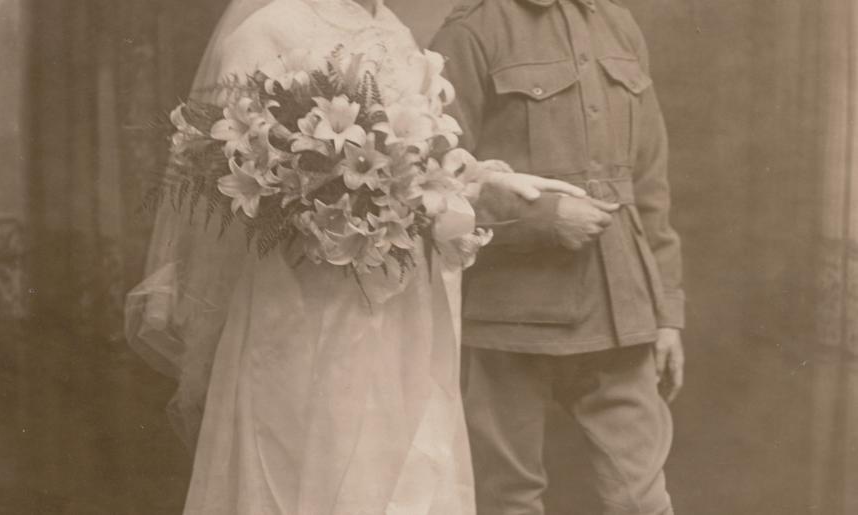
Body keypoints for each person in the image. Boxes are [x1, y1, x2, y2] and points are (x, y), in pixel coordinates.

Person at [124, 1, 585, 513]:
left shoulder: (394, 32)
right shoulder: (270, 29)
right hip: (306, 298)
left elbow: (424, 154)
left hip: (401, 300)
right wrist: (331, 199)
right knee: (309, 453)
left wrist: (492, 181)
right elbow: (230, 171)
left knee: (399, 455)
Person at [431, 0, 686, 513]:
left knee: (641, 500)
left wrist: (667, 315)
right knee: (509, 497)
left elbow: (650, 187)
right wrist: (540, 218)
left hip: (621, 310)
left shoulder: (618, 25)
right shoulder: (472, 30)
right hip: (511, 315)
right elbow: (438, 182)